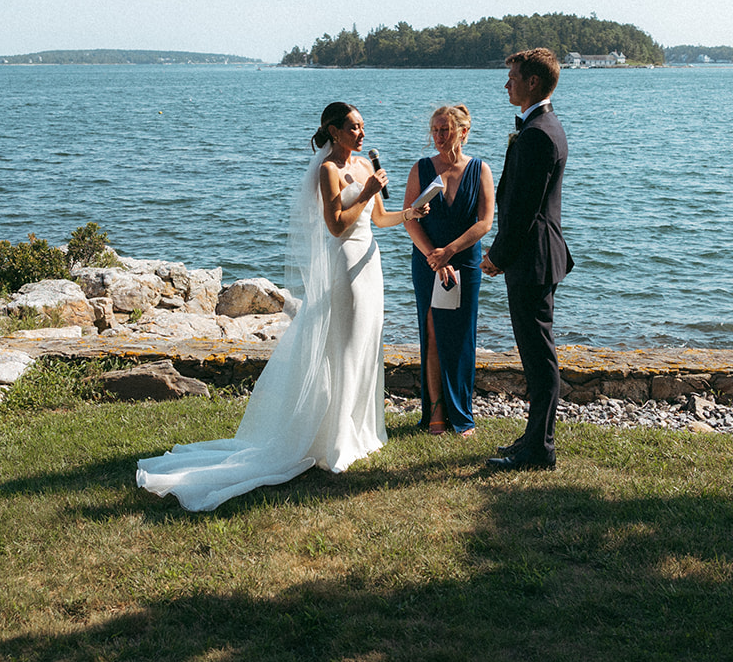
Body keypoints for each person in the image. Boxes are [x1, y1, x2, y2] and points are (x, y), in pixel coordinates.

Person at [135, 102, 426, 511]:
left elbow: (378, 219)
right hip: (344, 263)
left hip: (370, 262)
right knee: (342, 347)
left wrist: (408, 211)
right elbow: (337, 225)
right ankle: (333, 439)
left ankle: (361, 431)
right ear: (334, 131)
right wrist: (369, 192)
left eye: (363, 127)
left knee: (365, 345)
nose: (362, 133)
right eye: (354, 128)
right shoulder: (327, 171)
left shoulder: (363, 166)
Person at [481, 48, 573, 471]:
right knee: (536, 354)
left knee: (539, 357)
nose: (507, 84)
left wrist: (497, 256)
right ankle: (534, 439)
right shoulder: (542, 125)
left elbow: (524, 209)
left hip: (532, 258)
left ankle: (540, 450)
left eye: (513, 77)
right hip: (536, 255)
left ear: (532, 81)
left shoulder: (538, 132)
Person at [403, 104, 495, 437]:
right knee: (431, 332)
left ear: (463, 131)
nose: (440, 136)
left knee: (461, 336)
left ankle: (463, 414)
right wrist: (433, 255)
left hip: (464, 261)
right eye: (436, 130)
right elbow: (408, 219)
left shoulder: (480, 169)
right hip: (428, 261)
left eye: (447, 129)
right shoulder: (421, 168)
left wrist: (451, 251)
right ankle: (436, 412)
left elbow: (485, 221)